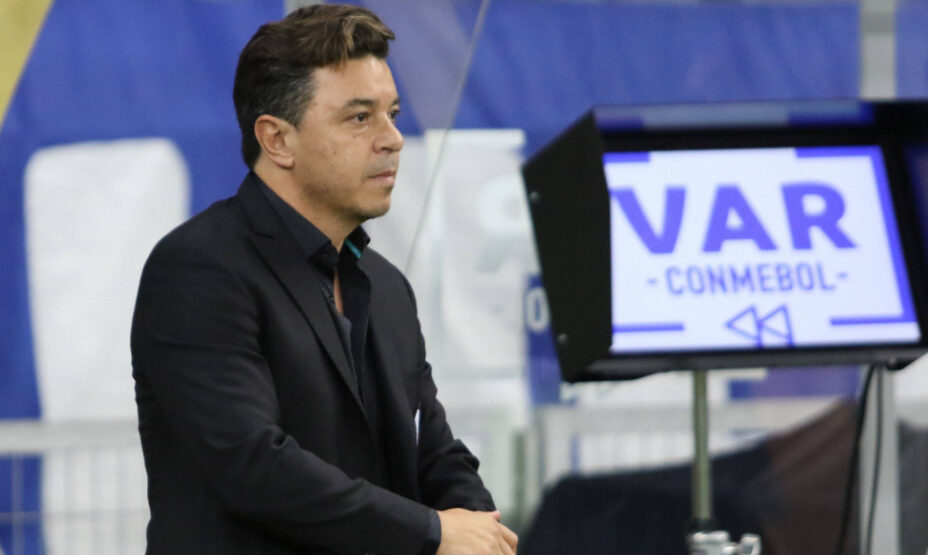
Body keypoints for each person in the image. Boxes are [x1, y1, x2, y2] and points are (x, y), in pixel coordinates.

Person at [130, 5, 518, 554]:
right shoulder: (198, 269)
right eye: (360, 118)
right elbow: (255, 467)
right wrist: (433, 534)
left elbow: (435, 451)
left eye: (393, 113)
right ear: (277, 140)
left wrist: (481, 530)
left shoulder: (387, 288)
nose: (392, 138)